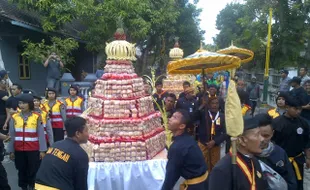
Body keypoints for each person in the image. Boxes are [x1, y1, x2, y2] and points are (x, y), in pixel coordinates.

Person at [207, 117, 269, 190]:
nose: (262, 139)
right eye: (257, 135)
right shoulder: (222, 170)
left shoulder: (254, 162)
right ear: (242, 140)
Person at [35, 117, 89, 190]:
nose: (88, 134)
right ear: (78, 134)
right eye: (86, 131)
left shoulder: (55, 145)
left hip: (38, 186)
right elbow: (81, 185)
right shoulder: (80, 154)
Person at [7, 94, 47, 190]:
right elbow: (11, 135)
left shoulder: (37, 116)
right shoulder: (14, 117)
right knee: (21, 169)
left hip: (33, 149)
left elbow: (41, 134)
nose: (22, 105)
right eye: (20, 103)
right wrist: (11, 150)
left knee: (33, 169)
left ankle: (32, 185)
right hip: (19, 149)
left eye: (24, 103)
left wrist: (42, 150)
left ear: (29, 104)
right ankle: (23, 186)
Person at [161, 110, 208, 190]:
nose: (170, 119)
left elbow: (171, 175)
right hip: (203, 182)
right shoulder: (188, 139)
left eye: (174, 118)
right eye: (172, 116)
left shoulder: (178, 147)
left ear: (182, 126)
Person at [272, 96, 310, 190]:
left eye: (300, 109)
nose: (298, 111)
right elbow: (271, 142)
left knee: (298, 184)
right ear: (287, 107)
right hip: (280, 161)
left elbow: (307, 142)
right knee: (282, 184)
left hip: (298, 159)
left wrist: (308, 157)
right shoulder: (277, 123)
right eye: (295, 109)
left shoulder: (304, 123)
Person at [256, 113, 297, 190]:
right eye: (258, 135)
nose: (262, 140)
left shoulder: (280, 153)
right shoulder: (246, 154)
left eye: (266, 136)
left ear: (272, 133)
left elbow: (290, 180)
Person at [197, 97, 228, 170]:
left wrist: (215, 141)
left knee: (215, 166)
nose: (214, 105)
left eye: (216, 103)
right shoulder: (203, 114)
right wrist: (202, 105)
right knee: (203, 165)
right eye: (212, 103)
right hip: (203, 144)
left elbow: (226, 132)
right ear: (208, 105)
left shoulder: (222, 116)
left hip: (215, 145)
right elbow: (193, 117)